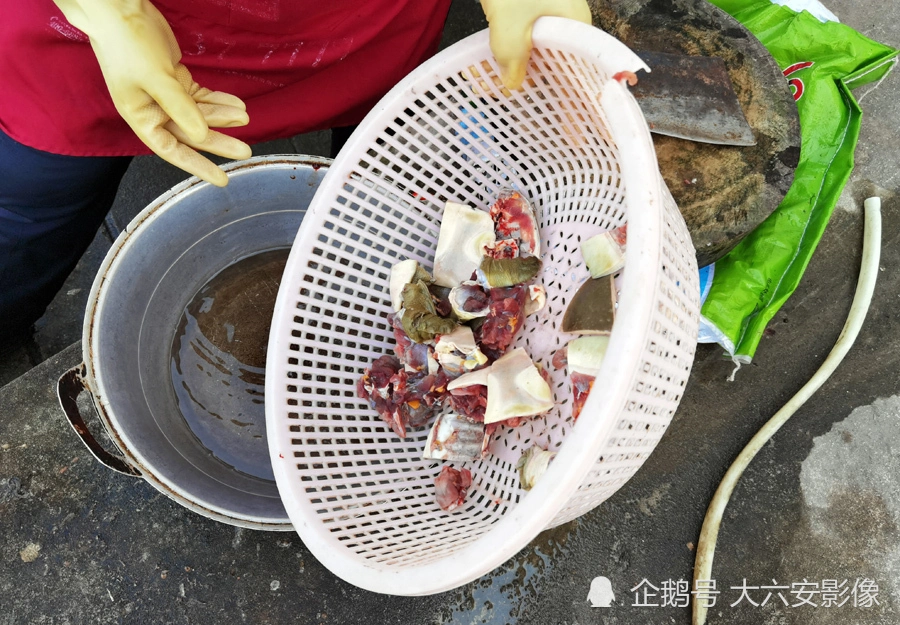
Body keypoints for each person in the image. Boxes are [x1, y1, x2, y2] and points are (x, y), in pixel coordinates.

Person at [0, 0, 591, 343]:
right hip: (100, 31)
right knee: (28, 207)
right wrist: (112, 14)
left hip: (352, 19)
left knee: (380, 176)